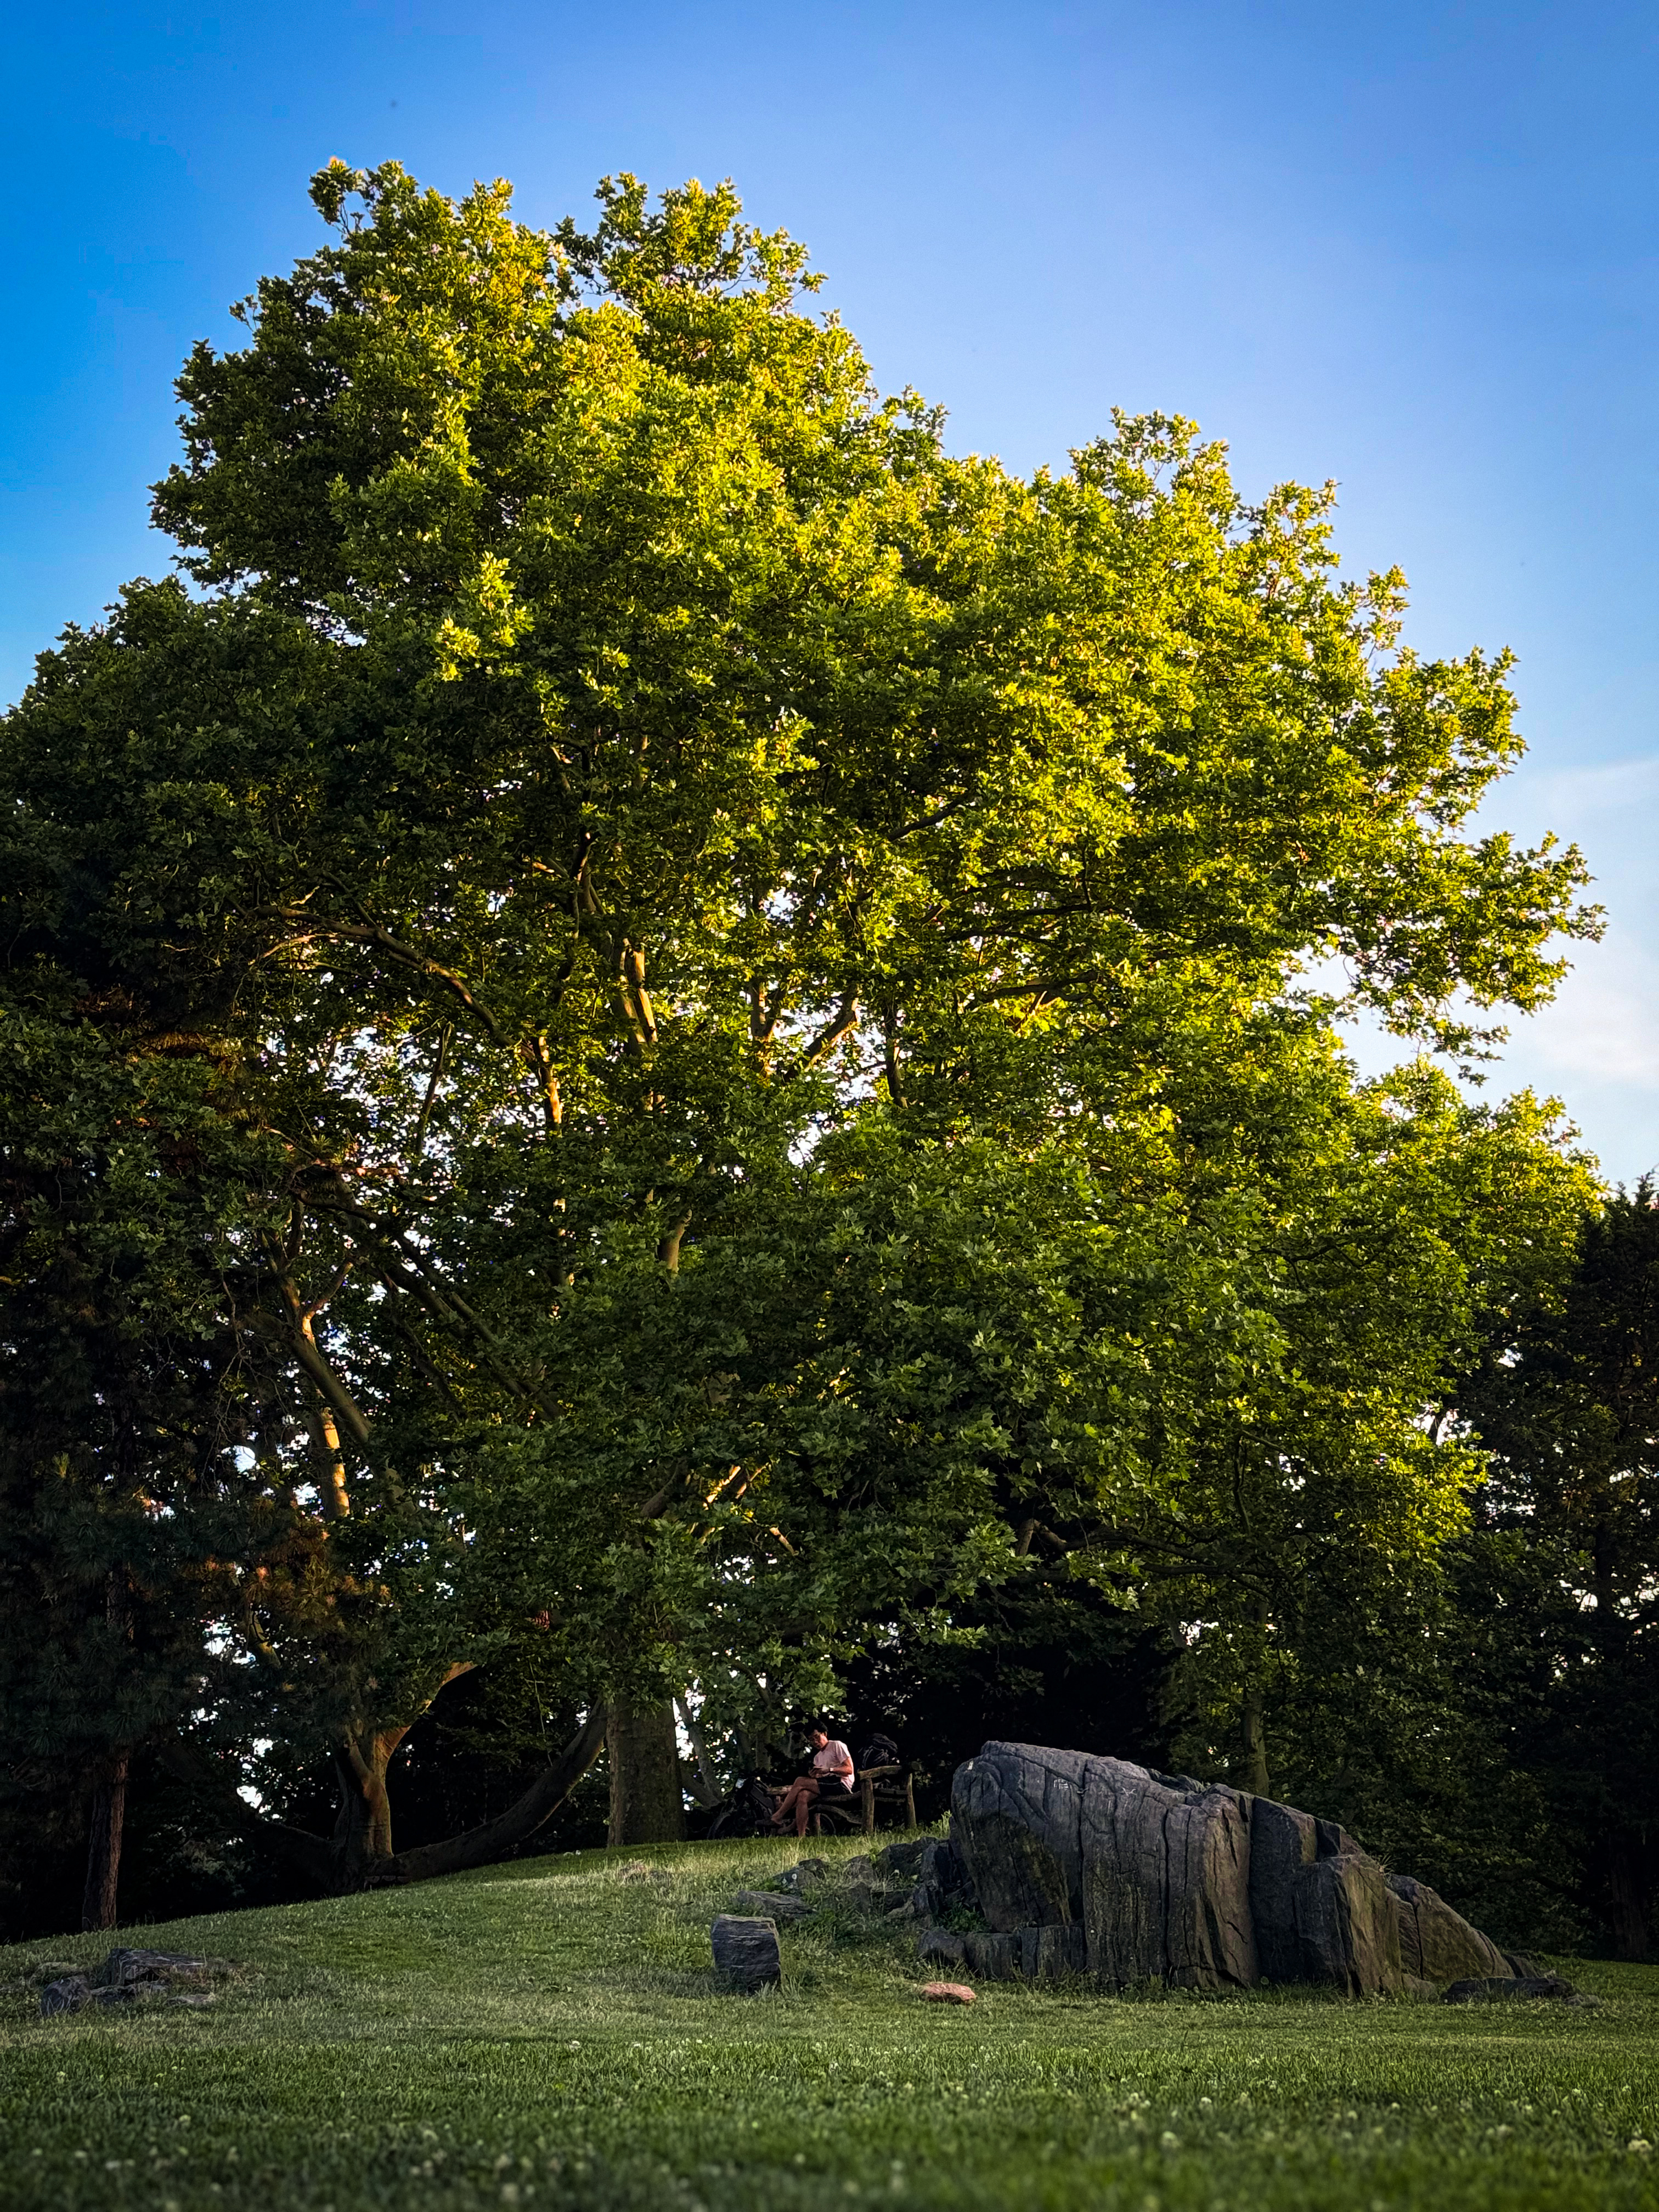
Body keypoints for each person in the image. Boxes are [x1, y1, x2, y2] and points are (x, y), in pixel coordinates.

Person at [768, 1723, 855, 1837]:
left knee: (800, 1781)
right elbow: (819, 1781)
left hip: (840, 1783)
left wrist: (830, 1769)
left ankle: (779, 1815)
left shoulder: (836, 1745)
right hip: (826, 1784)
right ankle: (801, 1836)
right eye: (811, 1740)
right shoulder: (817, 1757)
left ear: (824, 1734)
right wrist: (814, 1776)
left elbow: (849, 1770)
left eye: (817, 1737)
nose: (815, 1742)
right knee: (803, 1795)